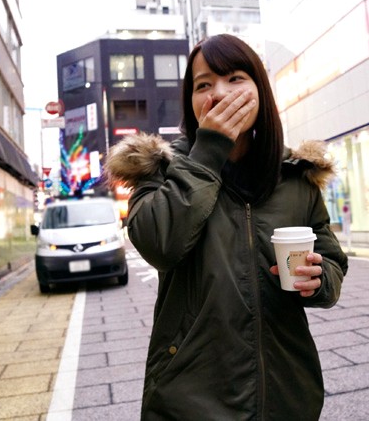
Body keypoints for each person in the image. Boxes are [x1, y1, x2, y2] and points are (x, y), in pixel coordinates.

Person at [105, 33, 349, 420]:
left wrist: (320, 279)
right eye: (204, 85)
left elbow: (333, 262)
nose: (219, 94)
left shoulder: (295, 177)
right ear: (191, 102)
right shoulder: (159, 171)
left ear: (260, 90)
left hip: (288, 393)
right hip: (189, 401)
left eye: (235, 78)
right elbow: (158, 244)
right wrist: (209, 150)